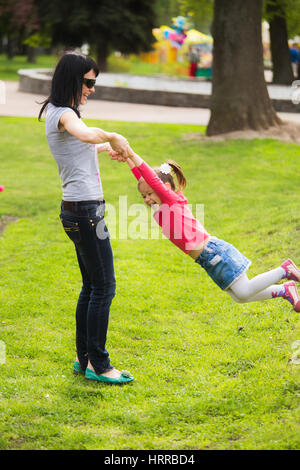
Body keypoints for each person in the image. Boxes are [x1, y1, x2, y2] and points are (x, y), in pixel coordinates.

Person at [39, 51, 134, 384]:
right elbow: (83, 133)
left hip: (77, 210)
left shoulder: (56, 112)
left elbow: (79, 144)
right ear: (74, 79)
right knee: (104, 287)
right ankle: (99, 363)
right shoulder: (64, 114)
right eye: (89, 82)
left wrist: (102, 149)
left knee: (92, 286)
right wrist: (111, 136)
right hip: (85, 212)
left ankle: (84, 359)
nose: (92, 89)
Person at [111, 146, 300, 312]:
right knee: (240, 297)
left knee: (244, 291)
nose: (146, 199)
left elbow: (150, 179)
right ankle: (285, 290)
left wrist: (131, 153)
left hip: (214, 252)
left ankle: (284, 270)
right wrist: (126, 158)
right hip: (206, 260)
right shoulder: (159, 209)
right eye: (143, 196)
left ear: (164, 188)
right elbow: (143, 179)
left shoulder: (172, 200)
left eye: (149, 194)